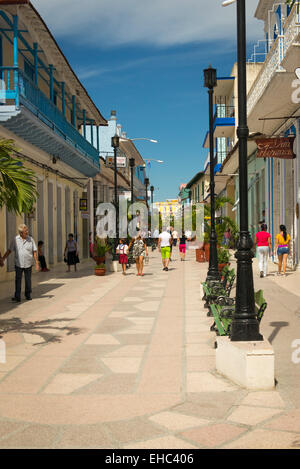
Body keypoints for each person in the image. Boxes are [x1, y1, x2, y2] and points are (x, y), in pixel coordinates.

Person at [0, 224, 40, 302]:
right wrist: (3, 259)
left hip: (28, 263)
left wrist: (37, 263)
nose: (27, 232)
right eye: (26, 231)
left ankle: (28, 294)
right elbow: (9, 250)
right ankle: (17, 296)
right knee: (18, 280)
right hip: (18, 263)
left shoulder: (30, 239)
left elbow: (34, 251)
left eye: (27, 230)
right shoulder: (15, 239)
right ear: (21, 233)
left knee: (28, 280)